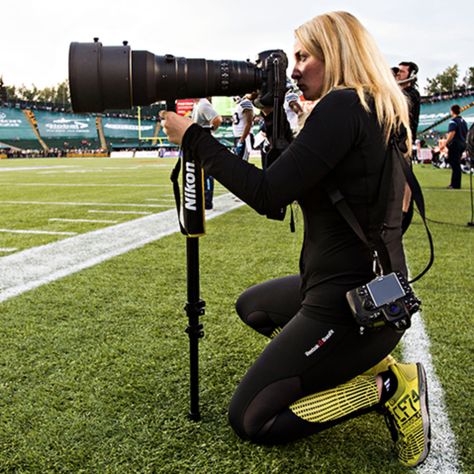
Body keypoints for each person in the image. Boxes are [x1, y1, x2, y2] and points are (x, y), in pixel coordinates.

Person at [161, 11, 430, 468]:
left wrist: (195, 142)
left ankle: (386, 387)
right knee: (254, 306)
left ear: (337, 54)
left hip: (351, 307)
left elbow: (269, 195)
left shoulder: (343, 107)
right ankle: (349, 362)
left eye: (304, 56)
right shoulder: (374, 108)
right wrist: (272, 115)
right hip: (366, 290)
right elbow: (295, 176)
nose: (295, 68)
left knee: (251, 417)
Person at [396, 61, 420, 232]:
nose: (398, 74)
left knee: (405, 179)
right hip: (393, 143)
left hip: (404, 143)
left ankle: (405, 212)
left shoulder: (411, 94)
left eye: (402, 72)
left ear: (411, 75)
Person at [191, 97, 222, 209]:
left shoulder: (203, 104)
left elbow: (217, 119)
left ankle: (207, 201)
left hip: (203, 138)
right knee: (200, 172)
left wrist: (210, 130)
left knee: (207, 171)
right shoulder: (197, 104)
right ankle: (203, 199)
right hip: (199, 139)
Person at [445, 104, 468, 189]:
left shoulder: (453, 121)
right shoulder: (463, 121)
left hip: (455, 144)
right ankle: (455, 183)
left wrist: (446, 143)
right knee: (456, 163)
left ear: (452, 111)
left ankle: (455, 184)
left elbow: (452, 133)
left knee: (455, 164)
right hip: (462, 143)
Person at [232, 96, 254, 161]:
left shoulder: (245, 103)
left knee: (243, 162)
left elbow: (249, 123)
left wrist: (242, 140)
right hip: (238, 136)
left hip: (244, 137)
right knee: (237, 162)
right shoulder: (239, 104)